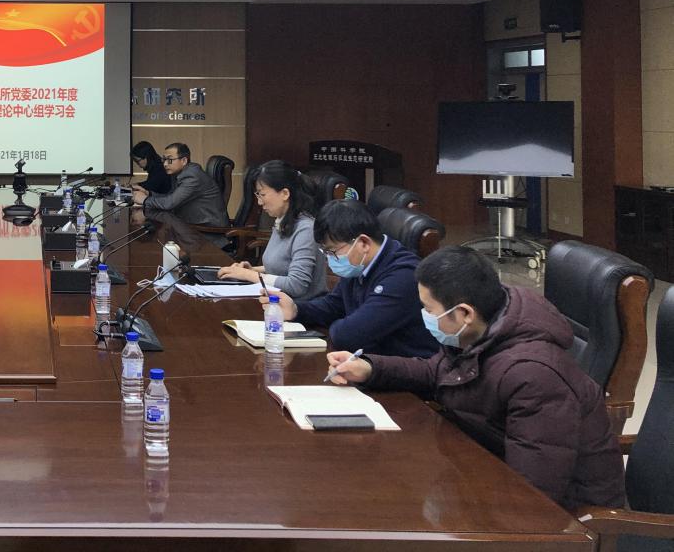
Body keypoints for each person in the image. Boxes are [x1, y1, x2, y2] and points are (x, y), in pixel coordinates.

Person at [326, 246, 625, 511]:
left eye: (428, 309)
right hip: (482, 472)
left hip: (569, 521)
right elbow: (437, 372)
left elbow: (533, 496)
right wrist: (370, 368)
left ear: (465, 313)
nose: (424, 316)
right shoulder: (483, 328)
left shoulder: (534, 376)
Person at [260, 199, 437, 358]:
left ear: (363, 243)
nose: (330, 259)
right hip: (369, 362)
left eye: (333, 251)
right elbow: (333, 306)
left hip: (406, 372)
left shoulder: (403, 276)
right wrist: (297, 310)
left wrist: (343, 324)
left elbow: (349, 335)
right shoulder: (359, 264)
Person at [217, 161, 327, 300]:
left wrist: (249, 275)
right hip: (276, 301)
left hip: (301, 308)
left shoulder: (306, 229)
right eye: (258, 195)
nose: (259, 202)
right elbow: (283, 267)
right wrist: (253, 270)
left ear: (285, 193)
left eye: (262, 194)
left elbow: (296, 285)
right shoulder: (283, 221)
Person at [132, 142, 230, 227]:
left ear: (184, 161)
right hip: (194, 225)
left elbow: (169, 203)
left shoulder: (192, 176)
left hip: (209, 231)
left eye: (169, 160)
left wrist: (145, 200)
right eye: (164, 159)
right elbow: (171, 196)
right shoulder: (179, 173)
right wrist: (149, 193)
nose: (165, 164)